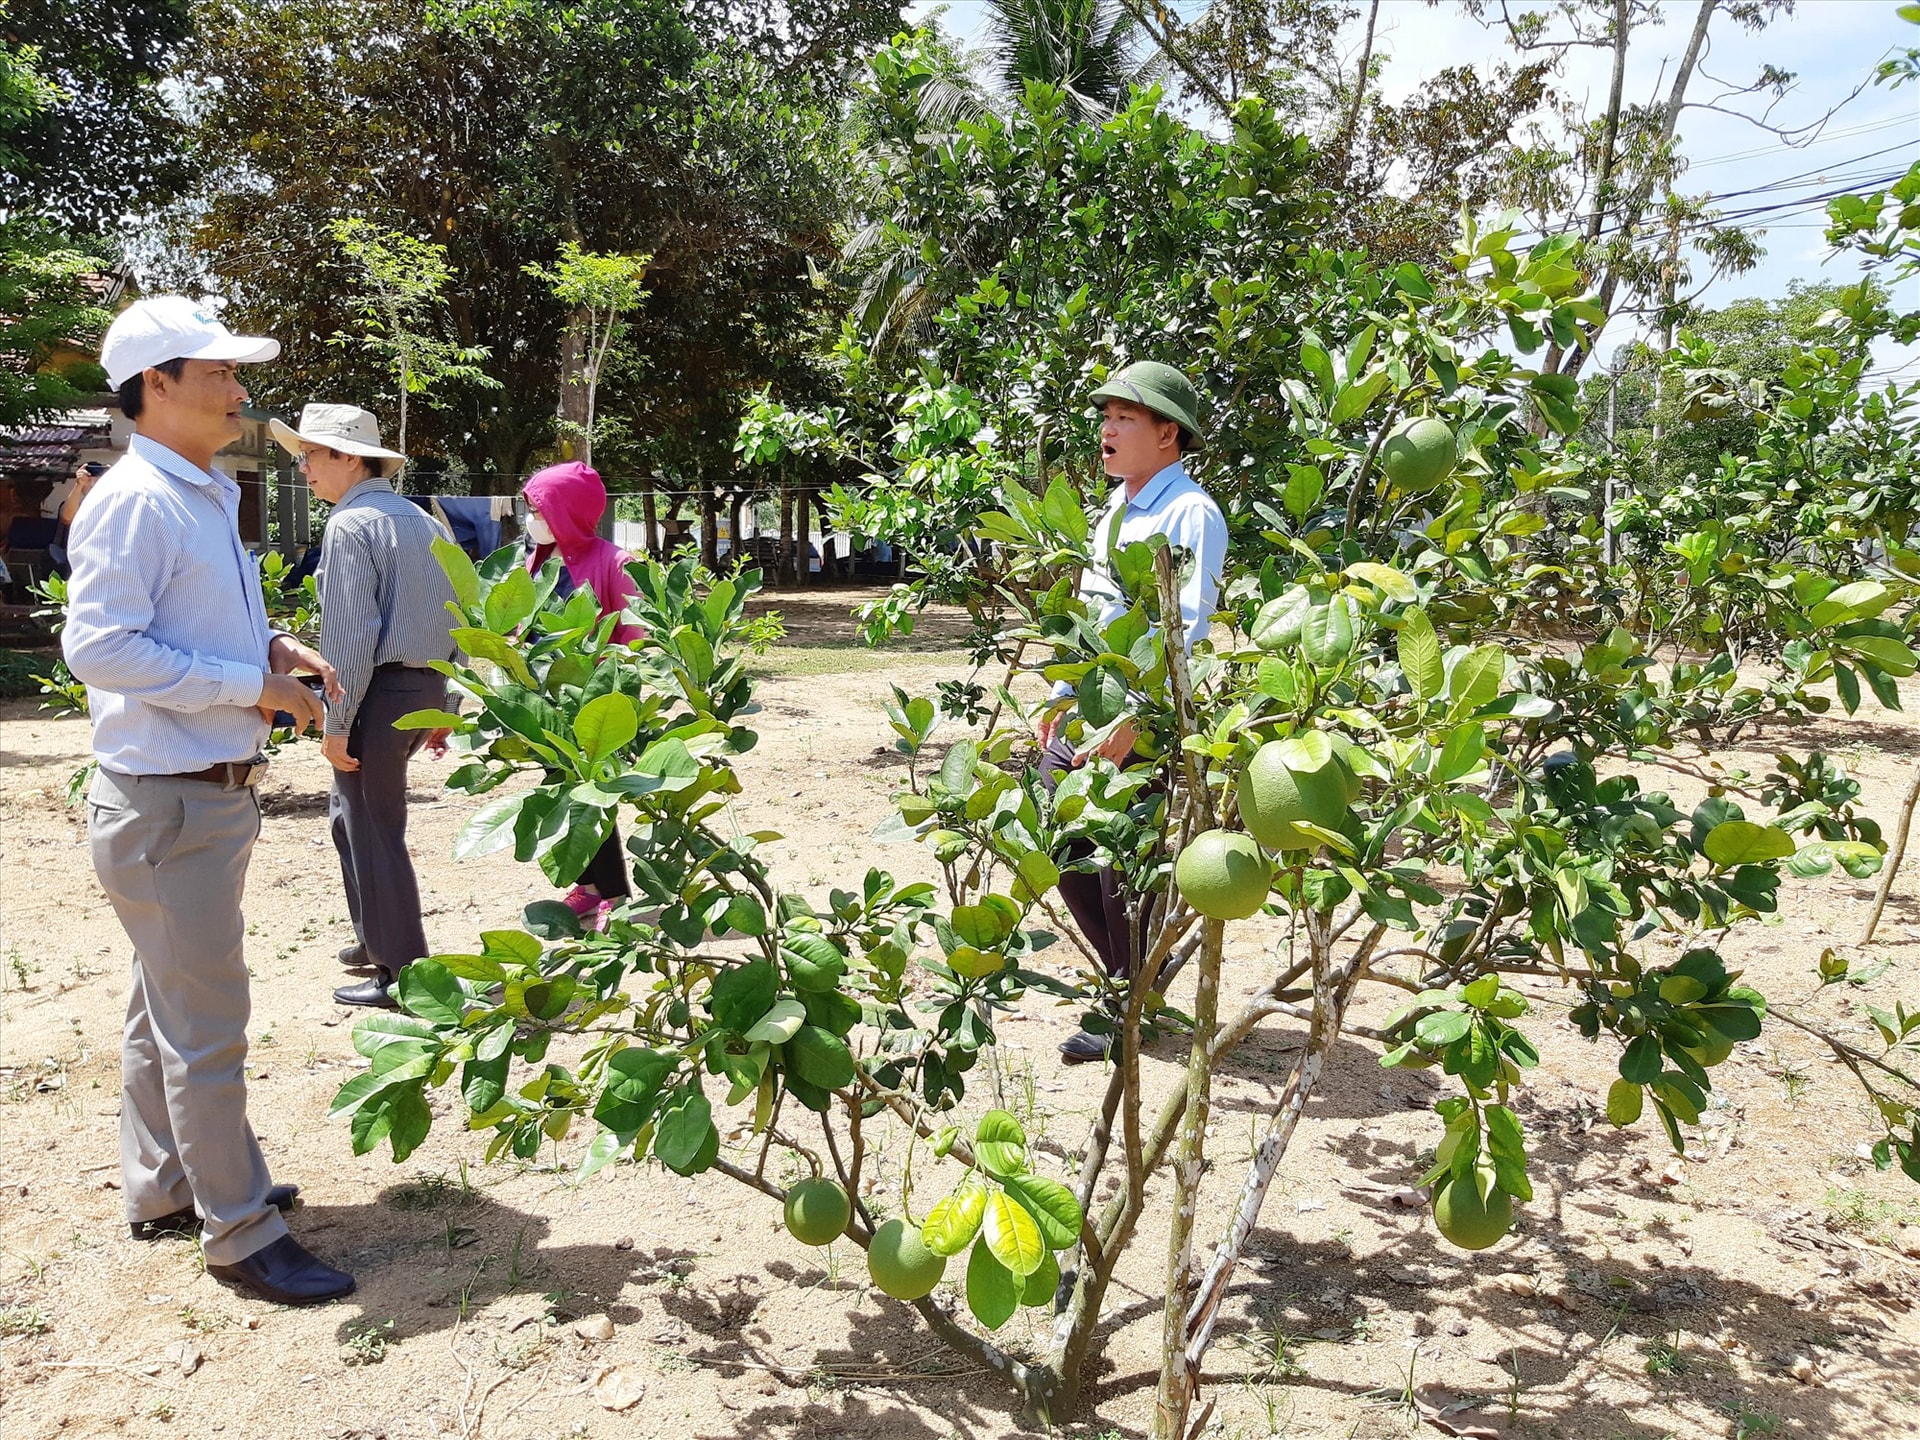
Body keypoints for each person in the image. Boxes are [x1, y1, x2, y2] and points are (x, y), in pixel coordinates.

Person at [62, 296, 353, 1304]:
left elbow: (190, 621)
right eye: (219, 373)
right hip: (169, 800)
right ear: (157, 386)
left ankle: (168, 1184)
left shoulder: (193, 489)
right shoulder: (140, 497)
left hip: (188, 799)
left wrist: (271, 649)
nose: (238, 388)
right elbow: (98, 646)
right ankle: (240, 1231)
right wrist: (251, 688)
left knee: (165, 1006)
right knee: (206, 1023)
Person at [1037, 361, 1228, 1064]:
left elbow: (1186, 625)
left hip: (1137, 719)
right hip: (1091, 708)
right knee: (1062, 846)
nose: (1107, 431)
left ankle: (1129, 1005)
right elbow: (1093, 616)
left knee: (1124, 866)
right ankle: (1129, 985)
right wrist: (1061, 697)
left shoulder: (1190, 512)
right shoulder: (1115, 510)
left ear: (1167, 433)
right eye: (1106, 417)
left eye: (1124, 418)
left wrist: (1138, 717)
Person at [269, 403, 457, 1009]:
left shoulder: (351, 526)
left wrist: (337, 722)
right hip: (421, 687)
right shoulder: (424, 521)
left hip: (375, 692)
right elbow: (458, 612)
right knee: (351, 818)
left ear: (347, 457)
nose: (302, 469)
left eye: (310, 456)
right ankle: (374, 938)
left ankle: (403, 974)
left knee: (374, 830)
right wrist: (444, 704)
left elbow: (350, 636)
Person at [521, 461, 641, 926]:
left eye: (540, 508)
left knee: (595, 792)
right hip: (546, 701)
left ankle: (608, 889)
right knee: (564, 790)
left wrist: (622, 692)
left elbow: (635, 636)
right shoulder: (533, 561)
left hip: (594, 700)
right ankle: (593, 884)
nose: (533, 518)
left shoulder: (614, 562)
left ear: (566, 511)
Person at [48, 460, 106, 578]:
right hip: (78, 562)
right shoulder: (77, 504)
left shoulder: (113, 501)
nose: (92, 483)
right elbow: (67, 518)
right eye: (89, 479)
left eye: (96, 478)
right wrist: (79, 484)